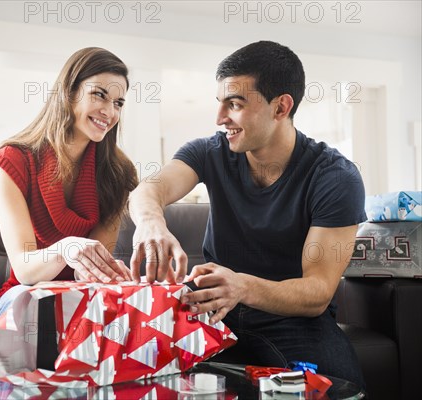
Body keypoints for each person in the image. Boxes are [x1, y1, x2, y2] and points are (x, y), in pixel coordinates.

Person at [128, 41, 366, 387]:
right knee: (138, 372)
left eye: (235, 104)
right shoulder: (208, 151)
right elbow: (149, 189)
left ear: (281, 107)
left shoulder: (334, 177)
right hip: (207, 307)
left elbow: (317, 291)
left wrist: (242, 287)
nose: (220, 118)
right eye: (220, 103)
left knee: (339, 387)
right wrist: (151, 224)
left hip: (291, 318)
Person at [0, 47, 138, 319]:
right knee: (40, 310)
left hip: (80, 295)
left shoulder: (118, 173)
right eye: (99, 95)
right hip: (25, 293)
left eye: (118, 103)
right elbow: (24, 269)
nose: (109, 111)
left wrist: (106, 272)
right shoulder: (11, 161)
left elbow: (88, 273)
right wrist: (67, 249)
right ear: (69, 93)